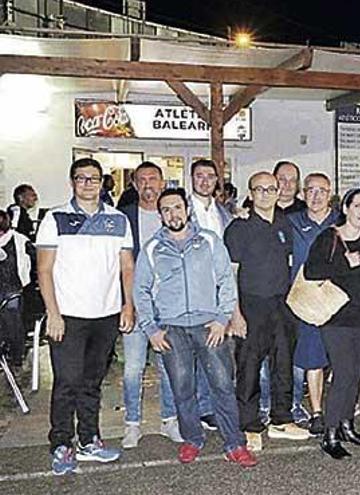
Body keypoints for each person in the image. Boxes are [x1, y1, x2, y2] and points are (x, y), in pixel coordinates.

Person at [133, 188, 257, 467]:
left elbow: (226, 280)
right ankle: (192, 439)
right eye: (166, 210)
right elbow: (140, 291)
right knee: (182, 387)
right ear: (160, 214)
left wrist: (223, 318)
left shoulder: (210, 241)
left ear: (187, 209)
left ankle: (235, 444)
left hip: (209, 326)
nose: (172, 214)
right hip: (172, 330)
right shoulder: (153, 248)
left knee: (223, 385)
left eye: (177, 207)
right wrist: (151, 329)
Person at [36, 158, 134, 475]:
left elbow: (127, 267)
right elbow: (44, 269)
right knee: (67, 383)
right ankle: (62, 444)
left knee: (92, 383)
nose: (88, 184)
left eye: (94, 179)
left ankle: (89, 440)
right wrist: (53, 313)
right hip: (68, 316)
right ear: (72, 182)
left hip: (105, 316)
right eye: (82, 178)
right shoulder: (55, 218)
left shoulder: (118, 219)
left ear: (103, 182)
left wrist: (128, 305)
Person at [224, 172, 310, 452]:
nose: (265, 193)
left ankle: (281, 420)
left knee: (283, 363)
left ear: (277, 192)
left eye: (270, 189)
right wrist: (235, 313)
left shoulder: (285, 223)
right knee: (249, 366)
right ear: (250, 192)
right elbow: (230, 274)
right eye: (259, 189)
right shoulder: (239, 228)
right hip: (250, 305)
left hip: (282, 306)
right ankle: (249, 425)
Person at [304, 188, 360, 459]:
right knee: (342, 375)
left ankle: (346, 425)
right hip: (336, 319)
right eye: (358, 206)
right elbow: (311, 271)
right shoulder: (329, 237)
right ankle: (329, 433)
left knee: (353, 376)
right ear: (346, 207)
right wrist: (344, 263)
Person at [119, 162, 190, 448]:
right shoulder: (123, 218)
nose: (148, 184)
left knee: (168, 367)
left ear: (163, 184)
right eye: (142, 180)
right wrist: (128, 303)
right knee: (133, 368)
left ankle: (169, 421)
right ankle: (132, 424)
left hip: (168, 309)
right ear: (134, 185)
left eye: (153, 179)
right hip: (136, 306)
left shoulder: (174, 215)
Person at [288, 173, 339, 435]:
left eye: (322, 190)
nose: (316, 196)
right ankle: (317, 412)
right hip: (306, 303)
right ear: (302, 193)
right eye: (311, 190)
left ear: (330, 192)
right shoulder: (290, 222)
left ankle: (339, 407)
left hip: (338, 302)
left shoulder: (341, 221)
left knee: (338, 358)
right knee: (313, 359)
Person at [0, 210, 32, 370]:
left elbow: (34, 265)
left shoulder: (20, 241)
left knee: (11, 312)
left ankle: (16, 355)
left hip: (14, 289)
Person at [190, 159, 234, 236]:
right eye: (200, 177)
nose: (205, 182)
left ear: (216, 179)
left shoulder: (226, 214)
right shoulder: (182, 210)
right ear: (192, 178)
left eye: (210, 177)